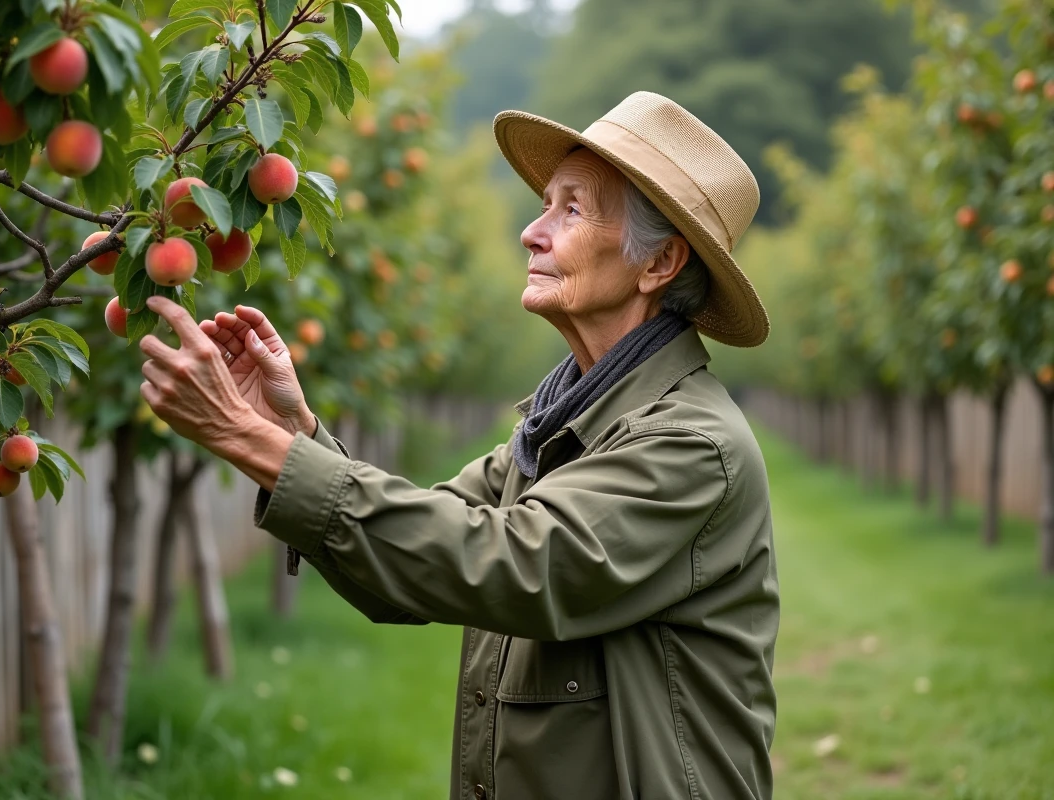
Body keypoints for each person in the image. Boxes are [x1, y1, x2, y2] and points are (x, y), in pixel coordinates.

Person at [139, 92, 778, 800]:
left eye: (571, 209)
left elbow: (507, 564)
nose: (532, 233)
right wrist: (295, 436)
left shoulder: (688, 443)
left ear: (658, 262)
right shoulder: (559, 423)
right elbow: (425, 550)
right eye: (545, 203)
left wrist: (244, 435)